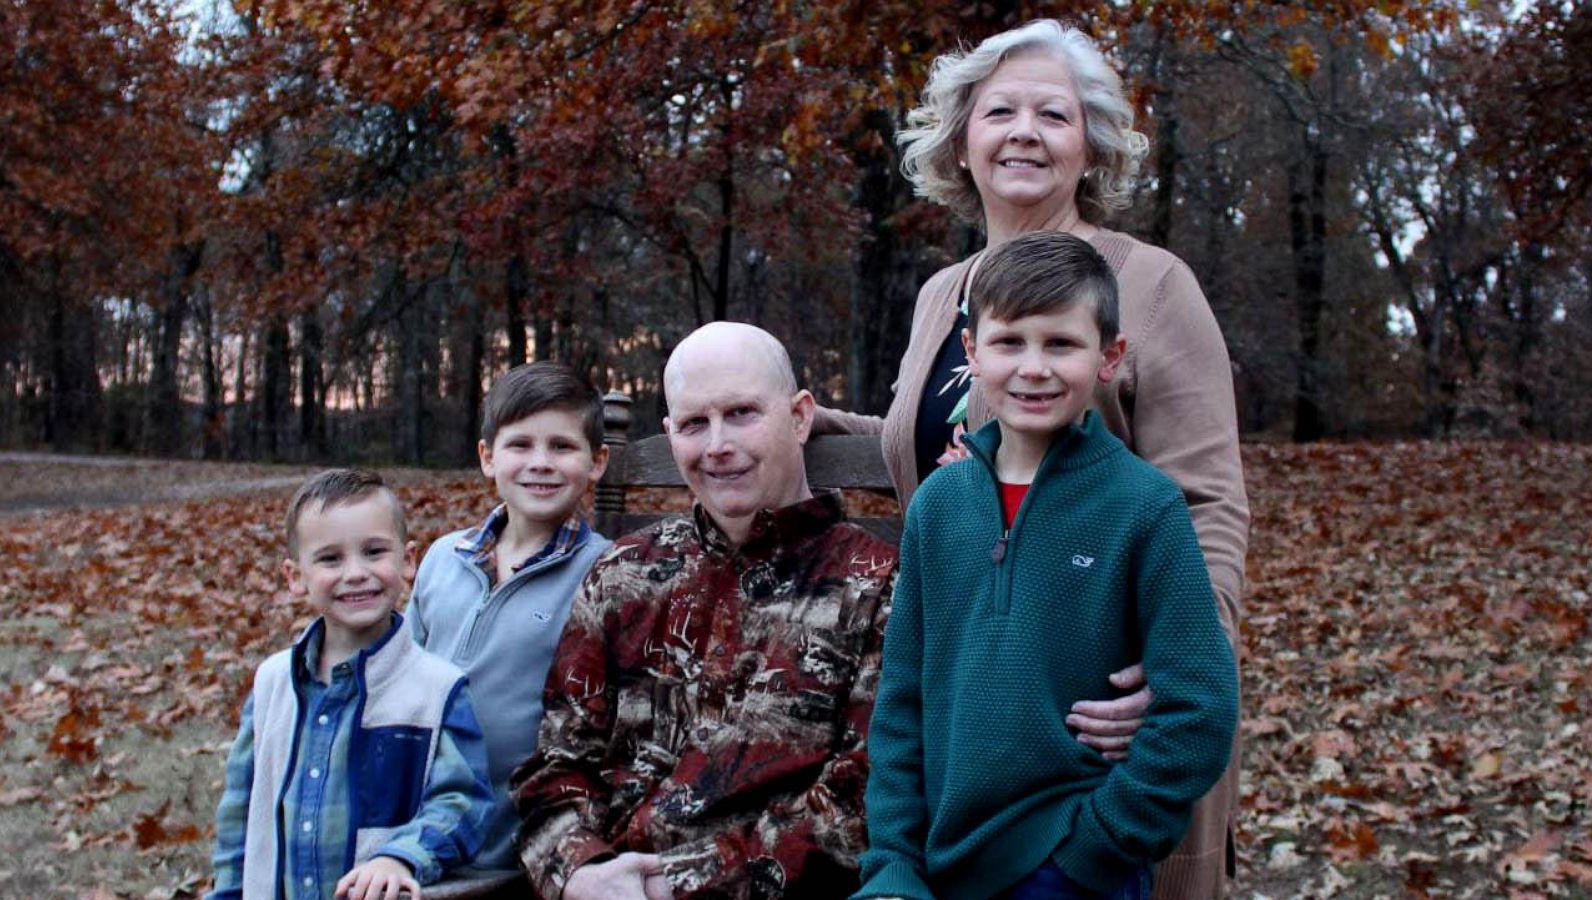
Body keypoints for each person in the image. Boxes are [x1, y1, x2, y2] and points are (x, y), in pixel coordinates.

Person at [816, 20, 1249, 896]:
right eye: (998, 111)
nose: (1023, 130)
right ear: (962, 142)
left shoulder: (1152, 284)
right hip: (980, 714)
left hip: (1095, 724)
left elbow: (1207, 496)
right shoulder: (949, 294)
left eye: (1052, 114)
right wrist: (816, 424)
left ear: (1088, 145)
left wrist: (1172, 676)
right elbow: (946, 446)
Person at [855, 232, 1238, 900]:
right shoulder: (938, 508)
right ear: (973, 354)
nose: (1034, 368)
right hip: (935, 869)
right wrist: (892, 864)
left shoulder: (1144, 509)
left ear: (1110, 357)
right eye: (1010, 343)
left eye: (1061, 344)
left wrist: (1100, 844)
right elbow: (901, 705)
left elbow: (1199, 708)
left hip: (1070, 864)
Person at [510, 322, 898, 900]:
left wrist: (674, 885)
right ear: (670, 436)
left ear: (798, 417)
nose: (717, 445)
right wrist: (580, 872)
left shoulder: (876, 587)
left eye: (741, 413)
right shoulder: (623, 574)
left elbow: (861, 802)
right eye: (694, 423)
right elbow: (556, 765)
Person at [207, 469, 493, 900]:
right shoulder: (272, 685)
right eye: (330, 559)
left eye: (374, 552)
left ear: (408, 561)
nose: (356, 573)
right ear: (295, 576)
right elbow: (239, 817)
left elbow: (463, 804)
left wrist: (400, 856)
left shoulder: (437, 691)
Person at [407, 362, 613, 872]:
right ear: (487, 457)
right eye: (520, 445)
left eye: (562, 447)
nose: (540, 462)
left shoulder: (609, 572)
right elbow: (400, 673)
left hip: (515, 838)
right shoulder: (442, 558)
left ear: (597, 462)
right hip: (410, 816)